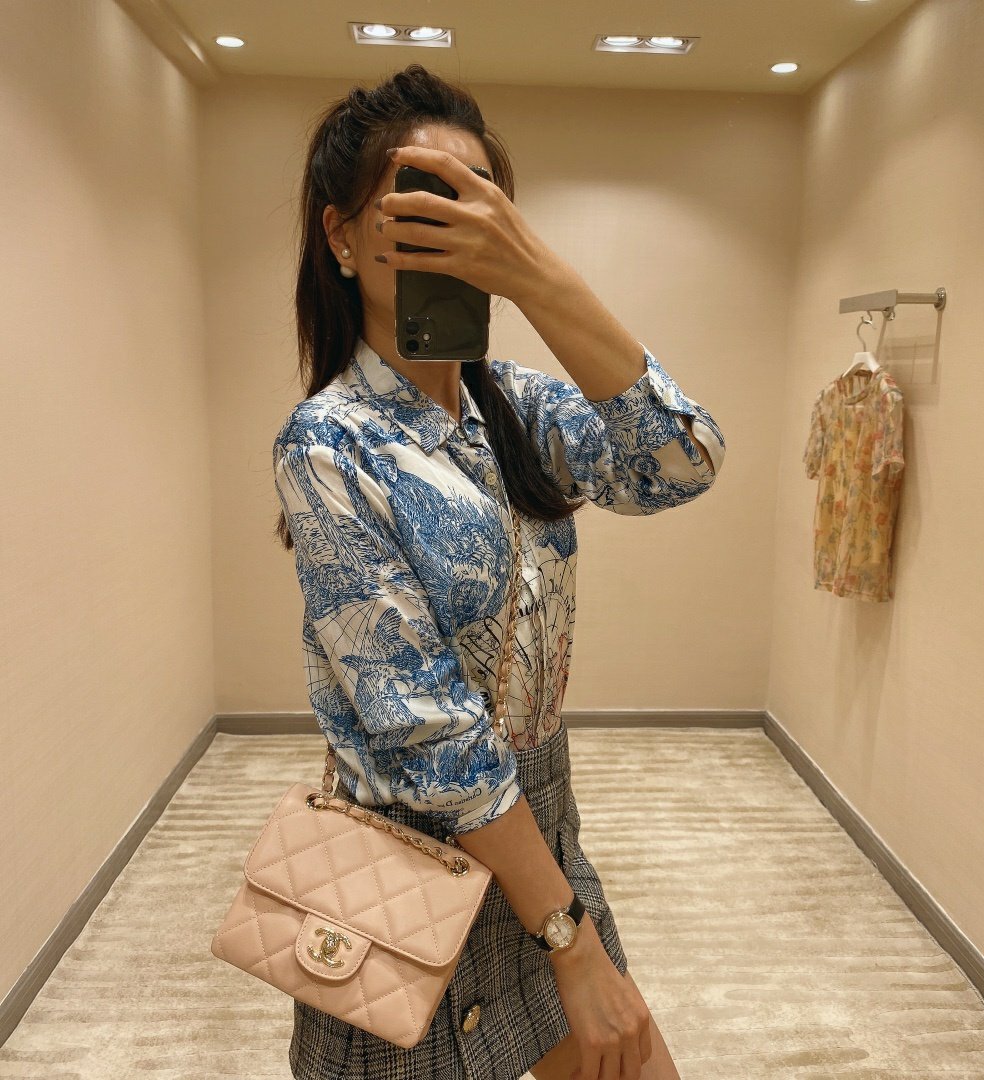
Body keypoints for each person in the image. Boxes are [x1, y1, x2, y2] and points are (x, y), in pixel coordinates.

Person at [272, 64, 725, 1080]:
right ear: (341, 237)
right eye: (419, 205)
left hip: (541, 834)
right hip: (407, 865)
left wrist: (539, 279)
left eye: (477, 203)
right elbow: (431, 735)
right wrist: (569, 942)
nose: (454, 230)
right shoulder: (328, 444)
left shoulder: (517, 408)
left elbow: (682, 461)